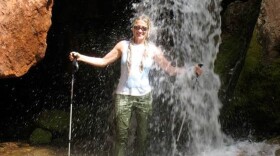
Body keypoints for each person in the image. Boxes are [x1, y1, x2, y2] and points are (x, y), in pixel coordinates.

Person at [69, 15, 202, 156]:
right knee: (121, 137)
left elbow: (170, 70)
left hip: (144, 97)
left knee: (143, 137)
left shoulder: (153, 50)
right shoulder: (123, 45)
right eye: (137, 27)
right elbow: (103, 61)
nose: (140, 30)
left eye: (143, 28)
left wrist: (191, 70)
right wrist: (80, 57)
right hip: (123, 96)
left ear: (148, 31)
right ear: (132, 28)